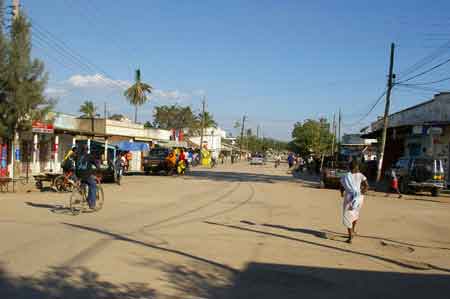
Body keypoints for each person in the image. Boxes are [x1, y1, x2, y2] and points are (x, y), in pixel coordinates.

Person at [340, 160, 369, 244]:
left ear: (349, 167)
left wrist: (342, 193)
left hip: (349, 197)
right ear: (357, 167)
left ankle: (350, 237)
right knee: (355, 214)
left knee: (348, 215)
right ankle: (352, 230)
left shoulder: (345, 176)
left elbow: (341, 186)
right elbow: (367, 186)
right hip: (359, 198)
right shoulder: (361, 175)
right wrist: (360, 194)